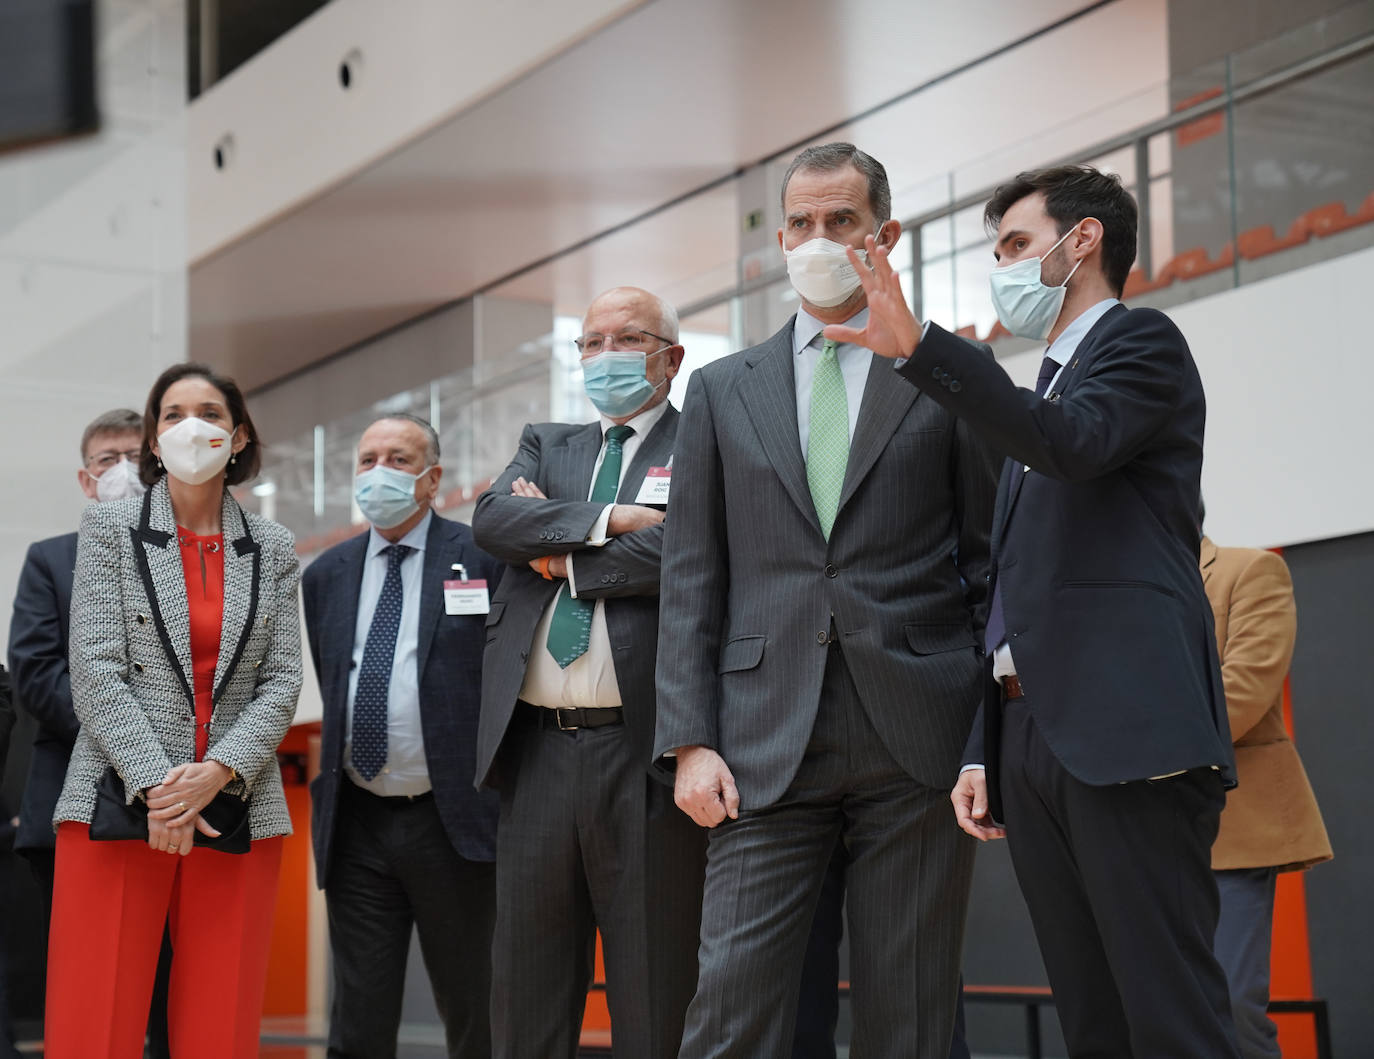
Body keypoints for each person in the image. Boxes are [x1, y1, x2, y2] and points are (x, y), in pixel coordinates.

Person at [832, 162, 1240, 1056]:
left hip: (1126, 729)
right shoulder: (1037, 392)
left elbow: (1075, 446)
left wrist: (923, 349)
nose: (1003, 265)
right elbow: (1007, 591)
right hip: (1032, 738)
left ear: (1082, 239)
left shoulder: (1141, 343)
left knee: (1169, 1013)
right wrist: (985, 743)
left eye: (1016, 243)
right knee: (1091, 1016)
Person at [656, 143, 999, 1057]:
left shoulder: (952, 375)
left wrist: (981, 741)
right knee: (730, 1010)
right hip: (761, 738)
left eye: (841, 221)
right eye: (802, 222)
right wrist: (689, 740)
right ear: (778, 237)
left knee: (911, 1019)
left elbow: (987, 566)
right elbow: (693, 574)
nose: (819, 238)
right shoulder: (723, 389)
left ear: (882, 235)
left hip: (917, 733)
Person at [473, 286, 707, 1059]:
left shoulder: (705, 438)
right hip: (535, 751)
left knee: (653, 989)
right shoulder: (548, 442)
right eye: (590, 342)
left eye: (626, 338)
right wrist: (609, 520)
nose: (605, 355)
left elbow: (686, 549)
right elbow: (493, 519)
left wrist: (557, 557)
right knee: (526, 988)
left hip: (641, 752)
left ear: (670, 356)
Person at [46, 363, 302, 1059]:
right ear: (155, 441)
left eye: (211, 412)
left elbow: (282, 681)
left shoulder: (274, 545)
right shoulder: (108, 528)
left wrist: (215, 772)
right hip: (118, 797)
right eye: (173, 413)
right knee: (93, 1021)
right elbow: (94, 669)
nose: (193, 425)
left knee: (221, 1025)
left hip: (237, 799)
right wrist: (163, 786)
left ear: (238, 433)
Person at [302, 413, 503, 1059]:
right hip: (357, 819)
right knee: (359, 1017)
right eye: (367, 459)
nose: (378, 472)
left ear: (432, 478)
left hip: (453, 820)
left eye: (397, 457)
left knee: (474, 1005)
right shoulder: (326, 574)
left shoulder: (482, 558)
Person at [7, 409, 175, 1059]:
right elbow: (37, 673)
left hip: (182, 801)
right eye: (108, 459)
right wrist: (137, 740)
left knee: (173, 985)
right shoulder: (51, 560)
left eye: (136, 455)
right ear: (85, 478)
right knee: (90, 988)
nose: (123, 469)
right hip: (78, 800)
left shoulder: (191, 555)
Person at [1200, 526, 1332, 1058]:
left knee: (1231, 1001)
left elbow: (1246, 687)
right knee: (1146, 1005)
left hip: (1233, 822)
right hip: (1135, 827)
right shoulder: (1113, 596)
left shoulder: (1248, 569)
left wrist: (1142, 751)